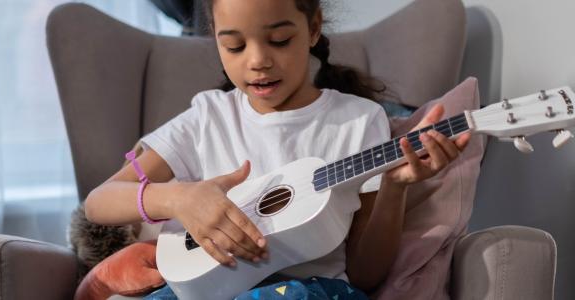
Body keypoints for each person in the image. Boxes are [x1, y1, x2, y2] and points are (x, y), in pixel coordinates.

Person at [84, 0, 471, 298]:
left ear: (313, 27)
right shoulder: (208, 117)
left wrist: (395, 188)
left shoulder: (358, 121)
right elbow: (98, 202)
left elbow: (366, 274)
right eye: (234, 46)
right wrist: (179, 200)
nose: (258, 61)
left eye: (279, 40)